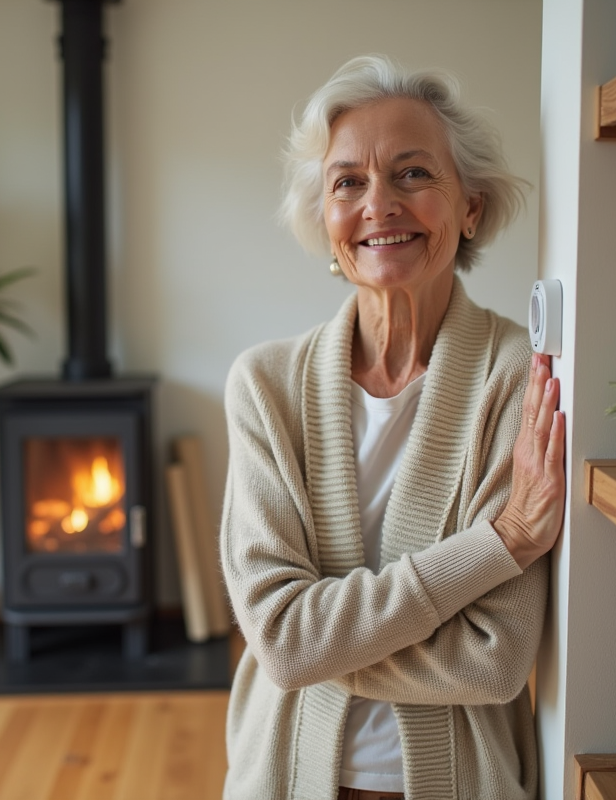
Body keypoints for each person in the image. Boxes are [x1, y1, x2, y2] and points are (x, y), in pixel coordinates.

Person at [218, 54, 566, 800]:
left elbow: (494, 660)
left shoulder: (519, 377)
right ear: (325, 216)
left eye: (413, 174)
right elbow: (281, 642)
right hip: (283, 776)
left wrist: (321, 640)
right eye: (348, 181)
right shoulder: (264, 386)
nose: (380, 204)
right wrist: (497, 545)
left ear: (470, 206)